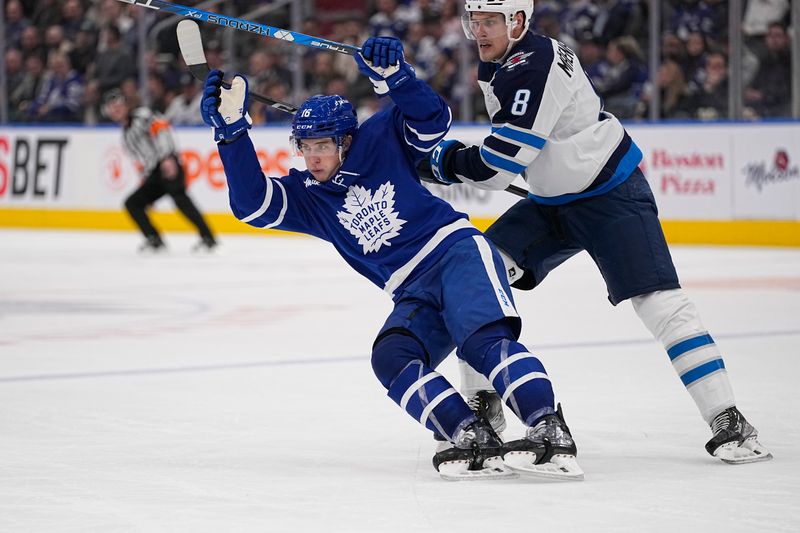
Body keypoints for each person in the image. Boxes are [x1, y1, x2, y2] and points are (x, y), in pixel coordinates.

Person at [200, 36, 583, 481]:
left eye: (322, 145)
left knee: (481, 344)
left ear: (346, 140)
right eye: (304, 146)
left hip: (454, 252)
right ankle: (469, 434)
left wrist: (396, 77)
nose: (312, 157)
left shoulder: (381, 137)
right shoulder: (309, 196)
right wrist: (231, 135)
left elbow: (432, 118)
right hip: (410, 288)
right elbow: (252, 204)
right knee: (391, 358)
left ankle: (548, 428)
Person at [420, 0, 771, 465]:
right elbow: (521, 156)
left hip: (611, 195)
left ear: (518, 22)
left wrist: (439, 161)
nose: (480, 31)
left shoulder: (532, 65)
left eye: (491, 22)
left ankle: (728, 418)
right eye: (475, 21)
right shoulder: (511, 60)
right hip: (552, 202)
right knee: (478, 275)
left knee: (661, 304)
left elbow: (502, 163)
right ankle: (484, 402)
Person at [103, 90, 217, 252]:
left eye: (119, 106)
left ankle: (209, 238)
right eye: (112, 108)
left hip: (167, 163)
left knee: (181, 199)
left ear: (126, 105)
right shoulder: (126, 135)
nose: (117, 110)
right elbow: (141, 163)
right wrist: (145, 184)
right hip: (154, 174)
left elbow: (162, 128)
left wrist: (167, 157)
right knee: (133, 203)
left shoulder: (141, 116)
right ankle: (154, 239)